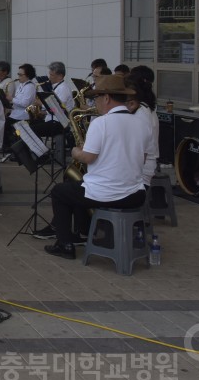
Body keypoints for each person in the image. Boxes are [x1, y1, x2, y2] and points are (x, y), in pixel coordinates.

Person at [42, 74, 154, 260]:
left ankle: (65, 244)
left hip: (106, 193)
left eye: (96, 99)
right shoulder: (143, 124)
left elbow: (88, 157)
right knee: (76, 189)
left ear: (107, 98)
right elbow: (141, 159)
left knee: (60, 192)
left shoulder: (101, 123)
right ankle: (88, 233)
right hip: (135, 193)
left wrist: (76, 151)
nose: (95, 103)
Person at [29, 61, 75, 139]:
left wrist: (41, 103)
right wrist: (43, 112)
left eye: (51, 75)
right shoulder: (57, 87)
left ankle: (40, 150)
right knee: (28, 125)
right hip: (53, 119)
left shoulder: (63, 89)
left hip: (60, 123)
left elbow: (57, 109)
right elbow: (53, 109)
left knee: (31, 129)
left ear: (60, 76)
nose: (49, 77)